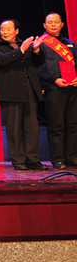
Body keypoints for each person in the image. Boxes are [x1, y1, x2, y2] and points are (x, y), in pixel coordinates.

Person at [0, 19, 46, 171]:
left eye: (8, 29)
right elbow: (1, 60)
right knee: (13, 129)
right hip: (11, 92)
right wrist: (21, 50)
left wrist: (36, 50)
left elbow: (39, 62)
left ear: (16, 31)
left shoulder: (24, 44)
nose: (5, 32)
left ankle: (32, 159)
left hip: (29, 90)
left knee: (32, 128)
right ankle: (19, 160)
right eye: (2, 29)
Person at [35, 12, 77, 170]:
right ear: (44, 25)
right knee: (56, 125)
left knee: (73, 124)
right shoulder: (41, 43)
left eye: (56, 22)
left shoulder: (70, 44)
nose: (53, 24)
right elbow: (38, 68)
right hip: (53, 89)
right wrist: (54, 80)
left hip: (72, 88)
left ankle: (72, 157)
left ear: (62, 24)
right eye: (50, 22)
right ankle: (58, 159)